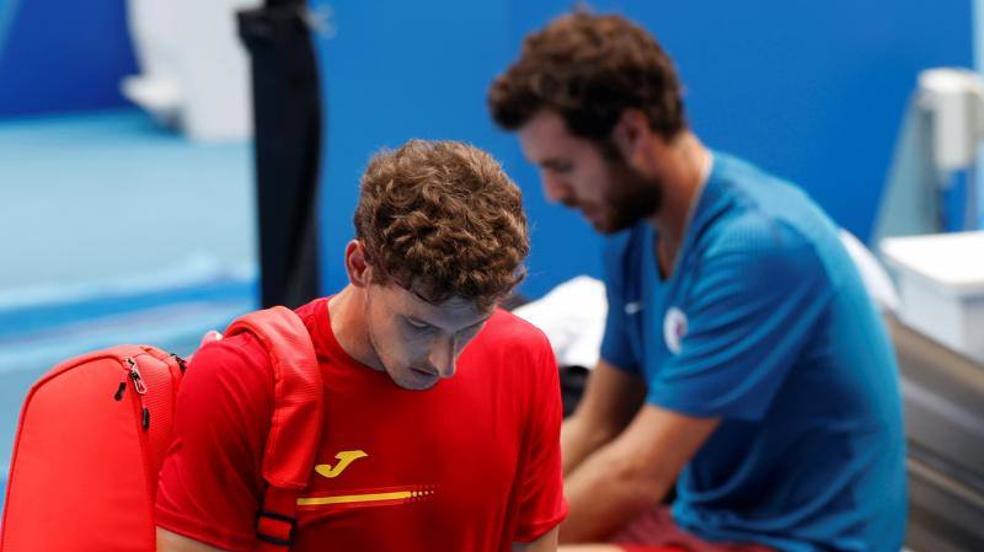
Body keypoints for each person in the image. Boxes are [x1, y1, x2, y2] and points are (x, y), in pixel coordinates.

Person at [488, 12, 906, 552]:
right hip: (703, 524)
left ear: (633, 133)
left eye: (563, 165)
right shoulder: (631, 231)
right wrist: (484, 516)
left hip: (806, 542)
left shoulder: (759, 247)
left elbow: (636, 473)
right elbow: (597, 424)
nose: (552, 193)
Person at [155, 140, 567, 551]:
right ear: (359, 266)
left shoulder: (523, 356)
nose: (444, 363)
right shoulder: (239, 379)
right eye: (419, 325)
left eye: (471, 327)